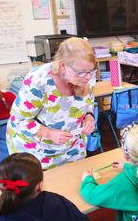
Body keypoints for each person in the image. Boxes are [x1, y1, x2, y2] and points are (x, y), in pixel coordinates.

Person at [6, 37, 96, 170]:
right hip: (35, 149)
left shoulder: (87, 75)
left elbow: (88, 103)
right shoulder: (38, 80)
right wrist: (48, 133)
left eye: (91, 70)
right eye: (81, 72)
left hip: (71, 146)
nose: (88, 77)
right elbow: (18, 119)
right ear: (62, 65)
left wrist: (89, 116)